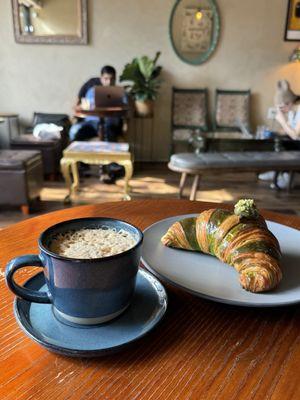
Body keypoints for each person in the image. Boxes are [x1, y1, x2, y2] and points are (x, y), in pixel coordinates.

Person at [69, 65, 126, 183]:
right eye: (106, 79)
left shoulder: (119, 92)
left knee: (109, 130)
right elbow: (80, 105)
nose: (108, 82)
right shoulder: (90, 90)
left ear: (115, 79)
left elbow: (125, 109)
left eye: (111, 79)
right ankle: (82, 165)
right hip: (91, 122)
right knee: (77, 133)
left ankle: (111, 166)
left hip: (110, 122)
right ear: (101, 78)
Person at [259, 80, 300, 189]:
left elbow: (296, 136)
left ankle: (286, 175)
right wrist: (273, 132)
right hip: (296, 142)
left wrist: (282, 121)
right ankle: (277, 170)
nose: (280, 111)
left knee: (282, 143)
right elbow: (289, 131)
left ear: (288, 103)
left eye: (280, 107)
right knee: (273, 139)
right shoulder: (292, 110)